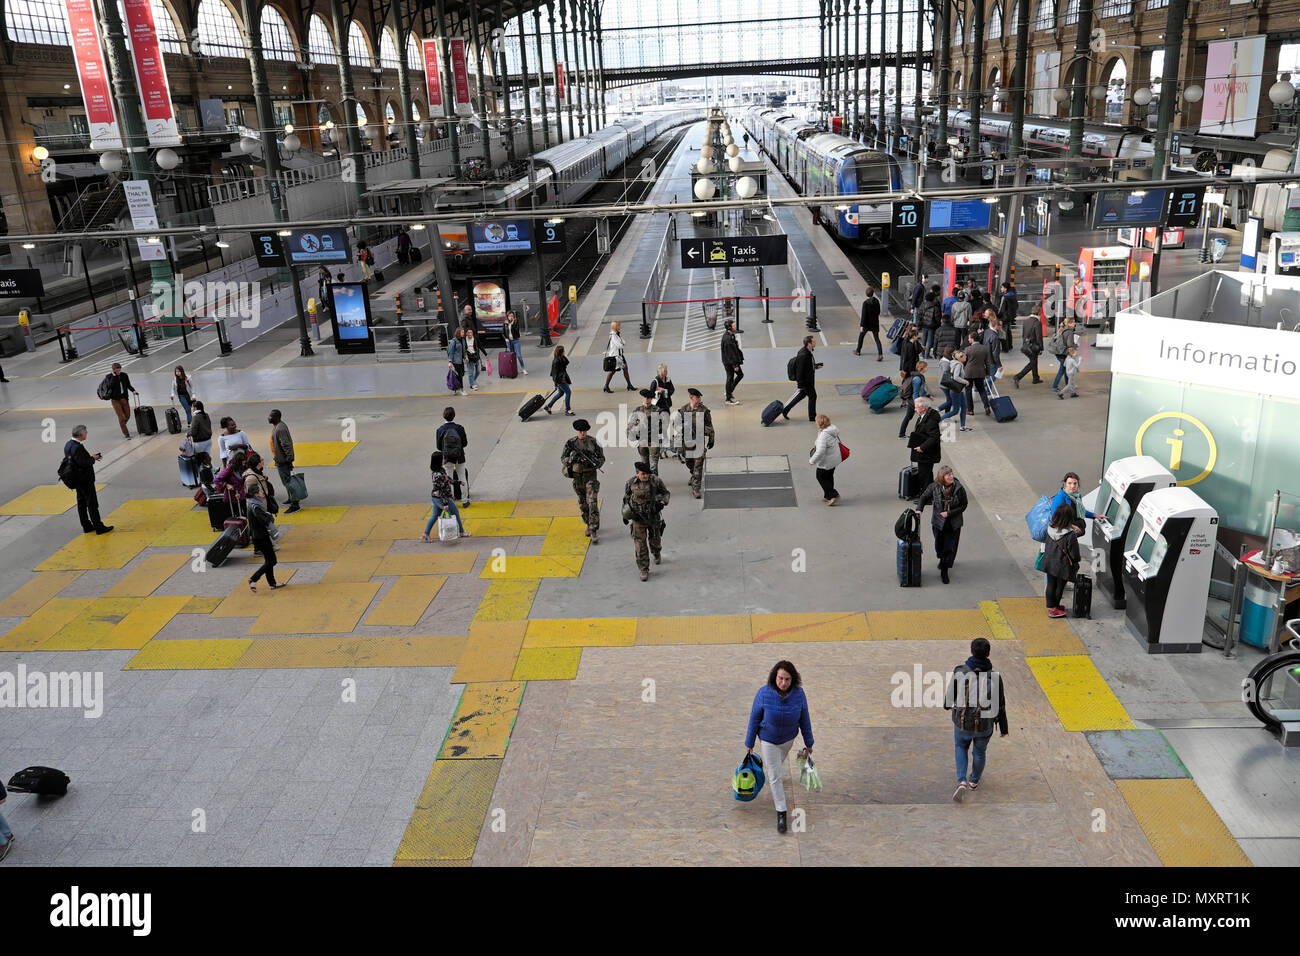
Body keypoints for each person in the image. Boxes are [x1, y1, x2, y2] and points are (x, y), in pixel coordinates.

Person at [744, 659, 814, 834]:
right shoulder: (763, 694)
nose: (783, 683)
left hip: (788, 740)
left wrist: (809, 742)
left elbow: (804, 717)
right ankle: (781, 812)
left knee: (776, 765)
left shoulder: (799, 694)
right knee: (775, 775)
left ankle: (769, 766)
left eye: (787, 679)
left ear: (793, 680)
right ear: (774, 677)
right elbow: (754, 719)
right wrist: (749, 742)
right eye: (780, 678)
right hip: (768, 739)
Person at [944, 637, 1008, 801]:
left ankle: (961, 781)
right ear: (988, 653)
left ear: (971, 651)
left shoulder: (960, 671)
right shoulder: (995, 677)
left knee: (960, 747)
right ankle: (974, 781)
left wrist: (947, 704)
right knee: (979, 752)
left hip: (962, 722)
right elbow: (1000, 704)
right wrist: (1003, 728)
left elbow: (951, 692)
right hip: (984, 724)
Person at [915, 464, 968, 583]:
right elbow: (924, 497)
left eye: (951, 474)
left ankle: (944, 570)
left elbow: (964, 505)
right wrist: (919, 509)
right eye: (948, 475)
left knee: (948, 548)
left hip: (953, 523)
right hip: (938, 523)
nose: (951, 476)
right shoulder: (935, 486)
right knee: (939, 546)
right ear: (942, 477)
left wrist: (949, 513)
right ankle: (942, 558)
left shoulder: (959, 489)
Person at [623, 459, 670, 582]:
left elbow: (666, 493)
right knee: (640, 544)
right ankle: (643, 568)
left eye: (647, 474)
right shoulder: (630, 483)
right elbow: (626, 499)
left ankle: (656, 552)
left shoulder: (655, 481)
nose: (645, 476)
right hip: (638, 518)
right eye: (643, 474)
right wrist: (624, 514)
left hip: (653, 517)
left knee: (655, 540)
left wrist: (662, 502)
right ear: (637, 473)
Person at [62, 425, 112, 534]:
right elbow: (83, 463)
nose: (87, 433)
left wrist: (90, 458)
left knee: (81, 503)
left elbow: (75, 461)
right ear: (81, 434)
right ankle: (99, 527)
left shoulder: (68, 444)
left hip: (76, 479)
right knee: (92, 503)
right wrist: (93, 459)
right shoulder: (78, 447)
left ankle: (86, 525)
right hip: (85, 480)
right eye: (86, 432)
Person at [562, 419, 604, 543]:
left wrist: (597, 463)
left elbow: (601, 457)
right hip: (577, 477)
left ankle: (593, 528)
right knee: (583, 503)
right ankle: (588, 523)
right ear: (577, 431)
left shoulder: (593, 442)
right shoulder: (571, 443)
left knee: (592, 502)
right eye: (580, 431)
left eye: (584, 431)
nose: (583, 433)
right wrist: (571, 459)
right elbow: (563, 459)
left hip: (590, 476)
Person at [244, 476, 284, 592]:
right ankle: (253, 579)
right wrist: (269, 516)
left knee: (268, 560)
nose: (262, 492)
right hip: (261, 536)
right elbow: (264, 520)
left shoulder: (253, 503)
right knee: (272, 561)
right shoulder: (256, 506)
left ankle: (272, 583)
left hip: (258, 536)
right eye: (260, 491)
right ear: (256, 494)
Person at [1043, 502, 1081, 618]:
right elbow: (1074, 553)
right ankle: (1054, 609)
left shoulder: (1050, 528)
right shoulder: (1070, 535)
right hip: (1062, 565)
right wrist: (1076, 560)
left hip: (1049, 561)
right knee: (1060, 586)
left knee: (1051, 584)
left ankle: (1052, 606)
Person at [422, 451, 471, 541]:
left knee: (435, 515)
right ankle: (461, 532)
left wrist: (458, 482)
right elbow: (442, 490)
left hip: (435, 498)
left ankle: (426, 533)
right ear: (438, 460)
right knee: (455, 513)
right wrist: (445, 503)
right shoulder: (439, 475)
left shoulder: (438, 471)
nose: (444, 459)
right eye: (443, 458)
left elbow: (448, 480)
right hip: (442, 498)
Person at [677, 387, 714, 499]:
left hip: (699, 442)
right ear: (691, 397)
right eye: (697, 397)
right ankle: (693, 476)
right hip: (687, 442)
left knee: (698, 465)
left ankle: (696, 488)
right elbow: (677, 427)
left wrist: (711, 438)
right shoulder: (683, 410)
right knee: (689, 462)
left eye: (699, 397)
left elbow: (710, 426)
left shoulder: (704, 411)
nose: (699, 398)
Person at [267, 409, 300, 514]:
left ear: (277, 417)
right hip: (280, 460)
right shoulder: (277, 426)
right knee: (286, 481)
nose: (268, 418)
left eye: (271, 416)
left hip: (283, 461)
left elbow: (286, 445)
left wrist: (289, 460)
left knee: (288, 482)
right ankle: (291, 498)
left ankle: (295, 505)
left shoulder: (280, 429)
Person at [907, 395, 942, 491]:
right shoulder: (923, 417)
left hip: (927, 453)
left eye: (916, 407)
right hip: (924, 452)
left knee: (926, 474)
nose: (915, 409)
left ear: (923, 408)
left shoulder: (930, 420)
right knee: (924, 473)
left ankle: (928, 496)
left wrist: (922, 447)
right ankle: (925, 494)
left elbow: (934, 437)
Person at [782, 335, 822, 421]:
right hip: (806, 381)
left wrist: (815, 366)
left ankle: (785, 410)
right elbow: (799, 371)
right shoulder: (803, 355)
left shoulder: (807, 351)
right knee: (813, 396)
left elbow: (806, 366)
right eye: (813, 341)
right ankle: (812, 417)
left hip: (807, 380)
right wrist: (800, 385)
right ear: (809, 344)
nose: (815, 343)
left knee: (801, 395)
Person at [437, 407, 470, 506]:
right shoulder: (460, 428)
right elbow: (464, 443)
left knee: (448, 480)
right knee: (462, 477)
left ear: (444, 416)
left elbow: (439, 447)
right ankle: (464, 500)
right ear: (454, 416)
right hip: (459, 457)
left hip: (447, 458)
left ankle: (451, 501)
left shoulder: (440, 430)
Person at [627, 389, 665, 475]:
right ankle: (647, 483)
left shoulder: (657, 410)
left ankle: (655, 483)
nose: (646, 400)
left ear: (651, 399)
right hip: (642, 442)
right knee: (645, 465)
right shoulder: (638, 410)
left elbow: (662, 425)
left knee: (653, 466)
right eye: (645, 398)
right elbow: (631, 424)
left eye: (649, 398)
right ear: (642, 398)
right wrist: (632, 434)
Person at [809, 413, 842, 505]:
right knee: (829, 477)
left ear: (819, 424)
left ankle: (832, 495)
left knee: (820, 476)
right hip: (834, 460)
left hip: (826, 462)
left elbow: (820, 452)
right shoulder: (831, 429)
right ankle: (827, 495)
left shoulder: (823, 435)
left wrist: (812, 461)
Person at [1049, 471, 1094, 535]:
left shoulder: (1077, 496)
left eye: (1075, 483)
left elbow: (1080, 510)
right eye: (1069, 483)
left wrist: (1095, 515)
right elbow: (1055, 518)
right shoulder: (1060, 497)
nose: (1072, 486)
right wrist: (1071, 526)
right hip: (1064, 531)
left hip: (1074, 529)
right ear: (1065, 484)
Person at [103, 362, 139, 439]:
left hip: (124, 398)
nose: (119, 372)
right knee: (122, 418)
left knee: (127, 416)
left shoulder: (124, 375)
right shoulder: (109, 377)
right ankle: (126, 434)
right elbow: (110, 386)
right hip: (115, 400)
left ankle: (122, 424)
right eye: (117, 371)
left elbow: (128, 385)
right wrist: (114, 376)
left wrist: (133, 391)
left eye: (119, 370)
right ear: (113, 370)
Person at [962, 331, 992, 416]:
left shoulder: (967, 349)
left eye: (969, 338)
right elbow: (987, 362)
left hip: (968, 373)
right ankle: (986, 406)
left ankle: (970, 410)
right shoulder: (985, 348)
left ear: (972, 339)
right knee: (982, 389)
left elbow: (964, 361)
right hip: (980, 372)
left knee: (968, 391)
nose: (968, 339)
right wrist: (988, 373)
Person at [939, 349, 971, 431]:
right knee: (955, 410)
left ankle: (963, 426)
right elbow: (955, 377)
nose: (966, 357)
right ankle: (938, 420)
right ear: (960, 357)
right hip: (956, 390)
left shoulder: (953, 362)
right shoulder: (958, 365)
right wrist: (965, 381)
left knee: (964, 407)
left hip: (958, 390)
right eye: (964, 356)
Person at [897, 360, 929, 439]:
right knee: (924, 417)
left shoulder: (918, 376)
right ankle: (922, 434)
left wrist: (928, 395)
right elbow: (915, 392)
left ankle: (901, 434)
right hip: (913, 400)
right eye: (926, 367)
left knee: (908, 417)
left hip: (911, 399)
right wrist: (917, 403)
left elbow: (922, 389)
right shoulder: (917, 379)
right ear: (922, 368)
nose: (927, 368)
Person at [1012, 315, 1044, 388]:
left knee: (1034, 361)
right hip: (1033, 347)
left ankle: (1036, 378)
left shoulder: (1026, 321)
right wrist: (1041, 348)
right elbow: (1039, 336)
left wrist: (1024, 344)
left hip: (1026, 346)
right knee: (1033, 363)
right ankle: (1018, 377)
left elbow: (1023, 335)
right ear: (1039, 313)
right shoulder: (1037, 323)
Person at [1049, 315, 1079, 391]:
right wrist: (1076, 345)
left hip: (1058, 352)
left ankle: (1068, 384)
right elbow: (1069, 345)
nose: (1075, 324)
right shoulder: (1069, 332)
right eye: (1074, 322)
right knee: (1062, 370)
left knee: (1066, 369)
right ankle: (1055, 386)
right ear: (1070, 323)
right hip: (1063, 353)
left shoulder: (1062, 329)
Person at [603, 320, 634, 392]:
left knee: (625, 369)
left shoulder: (617, 334)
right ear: (614, 327)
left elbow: (624, 342)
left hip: (620, 356)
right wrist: (622, 343)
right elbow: (620, 345)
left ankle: (629, 385)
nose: (619, 326)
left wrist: (622, 343)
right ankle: (606, 386)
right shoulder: (613, 336)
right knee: (612, 371)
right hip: (615, 356)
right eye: (618, 325)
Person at [544, 344, 574, 415]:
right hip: (560, 380)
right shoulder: (556, 361)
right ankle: (568, 409)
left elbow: (566, 362)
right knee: (568, 392)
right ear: (561, 352)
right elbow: (554, 374)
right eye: (563, 351)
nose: (565, 352)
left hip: (562, 378)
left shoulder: (561, 358)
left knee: (561, 393)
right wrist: (556, 383)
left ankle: (549, 406)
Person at [721, 319, 744, 405]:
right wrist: (735, 365)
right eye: (734, 326)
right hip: (729, 362)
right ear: (730, 327)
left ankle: (729, 391)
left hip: (730, 361)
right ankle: (728, 398)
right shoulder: (727, 339)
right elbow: (731, 354)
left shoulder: (730, 335)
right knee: (730, 377)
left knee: (738, 375)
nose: (735, 326)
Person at [856, 286, 883, 360]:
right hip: (875, 323)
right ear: (873, 293)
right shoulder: (876, 301)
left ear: (866, 294)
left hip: (867, 324)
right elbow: (878, 312)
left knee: (861, 336)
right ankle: (880, 354)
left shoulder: (865, 303)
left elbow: (864, 315)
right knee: (877, 339)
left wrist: (862, 325)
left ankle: (858, 351)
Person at [502, 310, 527, 375]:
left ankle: (523, 368)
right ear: (507, 317)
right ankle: (514, 369)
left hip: (516, 341)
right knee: (512, 356)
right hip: (509, 342)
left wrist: (512, 324)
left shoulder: (516, 322)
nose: (511, 317)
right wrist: (505, 339)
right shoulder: (505, 323)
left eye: (512, 316)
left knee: (519, 355)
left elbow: (516, 331)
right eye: (510, 316)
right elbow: (503, 333)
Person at [997, 281, 1018, 351]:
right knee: (1008, 331)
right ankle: (1010, 345)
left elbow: (1001, 309)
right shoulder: (1013, 295)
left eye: (1002, 287)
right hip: (1011, 316)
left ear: (1005, 288)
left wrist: (998, 316)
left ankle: (1005, 348)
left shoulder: (1004, 297)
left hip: (1004, 317)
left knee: (1003, 332)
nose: (1001, 289)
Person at [448, 327, 467, 395]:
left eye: (463, 332)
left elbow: (463, 349)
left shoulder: (463, 340)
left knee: (462, 374)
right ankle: (461, 390)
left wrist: (465, 356)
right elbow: (450, 352)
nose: (463, 333)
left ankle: (456, 386)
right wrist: (450, 362)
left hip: (461, 361)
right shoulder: (453, 341)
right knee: (460, 376)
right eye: (462, 332)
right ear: (458, 333)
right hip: (455, 361)